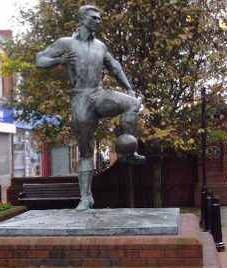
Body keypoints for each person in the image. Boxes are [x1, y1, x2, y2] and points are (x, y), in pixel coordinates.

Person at [36, 5, 146, 211]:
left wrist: (128, 87)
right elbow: (39, 60)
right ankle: (86, 198)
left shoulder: (100, 46)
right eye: (94, 17)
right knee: (86, 151)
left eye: (99, 17)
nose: (98, 20)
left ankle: (127, 152)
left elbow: (114, 67)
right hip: (80, 98)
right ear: (82, 19)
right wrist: (58, 60)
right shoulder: (65, 43)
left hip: (99, 94)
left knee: (133, 103)